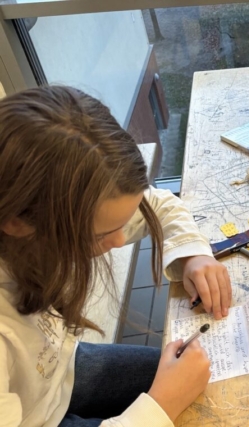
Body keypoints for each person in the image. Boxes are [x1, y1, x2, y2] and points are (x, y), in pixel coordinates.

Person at [0, 86, 232, 426]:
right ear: (18, 223)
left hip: (58, 370)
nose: (122, 239)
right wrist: (161, 405)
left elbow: (160, 205)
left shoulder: (32, 216)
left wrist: (193, 254)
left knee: (195, 377)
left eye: (123, 223)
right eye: (101, 234)